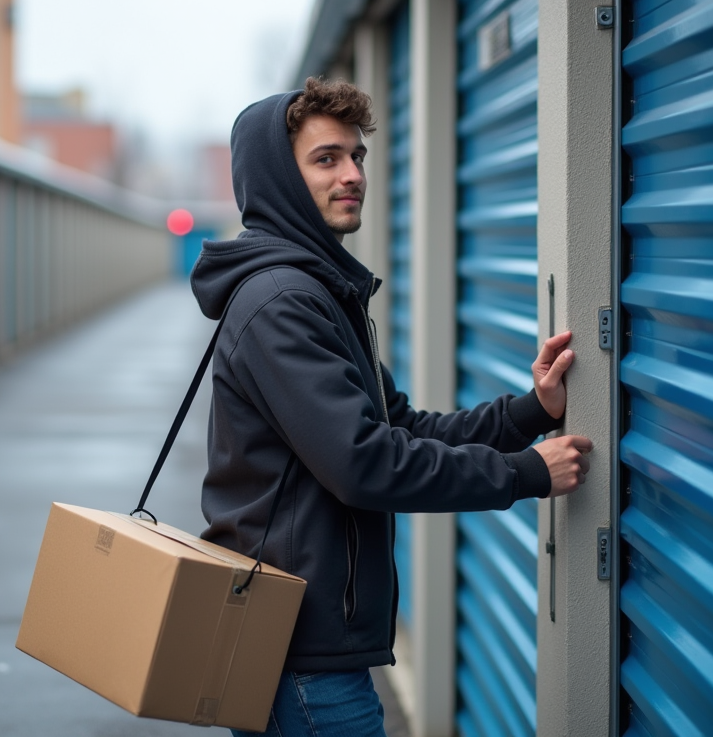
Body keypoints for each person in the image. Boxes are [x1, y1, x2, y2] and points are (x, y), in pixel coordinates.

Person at [189, 78, 592, 737]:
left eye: (357, 156)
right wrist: (527, 474)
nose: (352, 175)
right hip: (299, 654)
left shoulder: (318, 291)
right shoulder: (283, 303)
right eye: (326, 159)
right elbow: (364, 464)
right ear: (278, 180)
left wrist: (529, 412)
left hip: (303, 638)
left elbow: (398, 426)